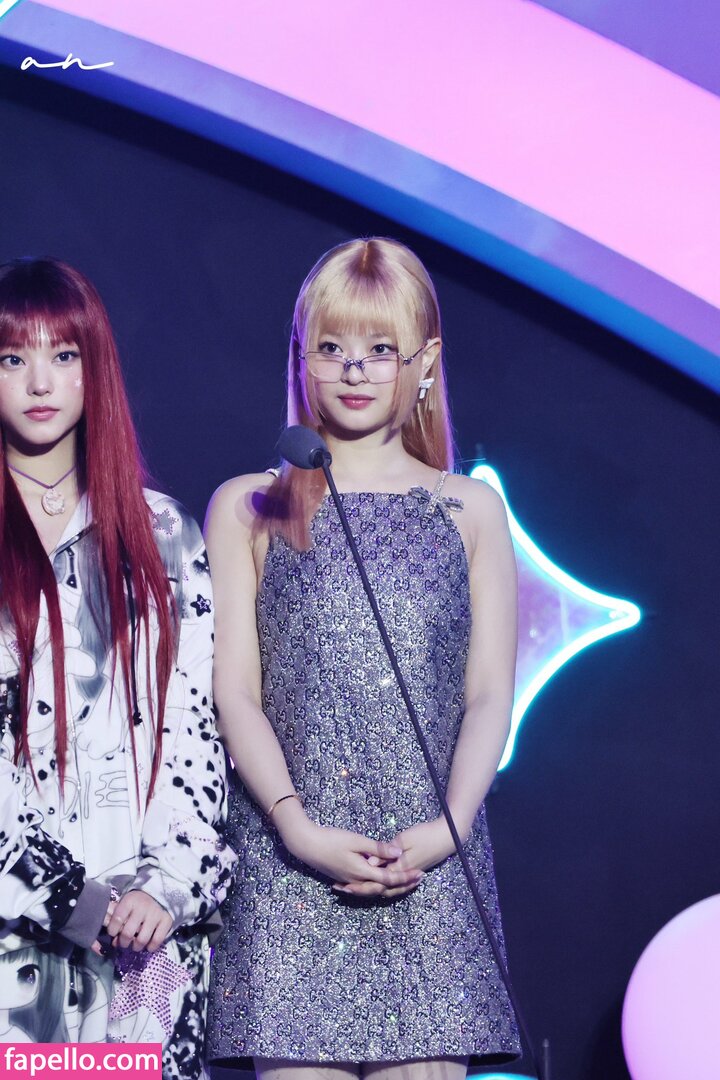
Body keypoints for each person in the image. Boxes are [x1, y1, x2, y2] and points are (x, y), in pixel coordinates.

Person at [206, 237, 521, 1079]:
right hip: (290, 870)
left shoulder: (470, 509)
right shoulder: (250, 506)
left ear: (426, 362)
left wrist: (447, 829)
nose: (354, 369)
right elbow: (236, 693)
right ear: (301, 357)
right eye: (332, 347)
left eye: (380, 348)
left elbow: (489, 694)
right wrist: (297, 828)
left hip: (431, 868)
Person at [0, 258, 236, 1076]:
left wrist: (165, 885)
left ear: (93, 366)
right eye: (12, 357)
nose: (40, 381)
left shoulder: (163, 536)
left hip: (141, 957)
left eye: (63, 354)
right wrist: (71, 898)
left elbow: (194, 729)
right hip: (15, 954)